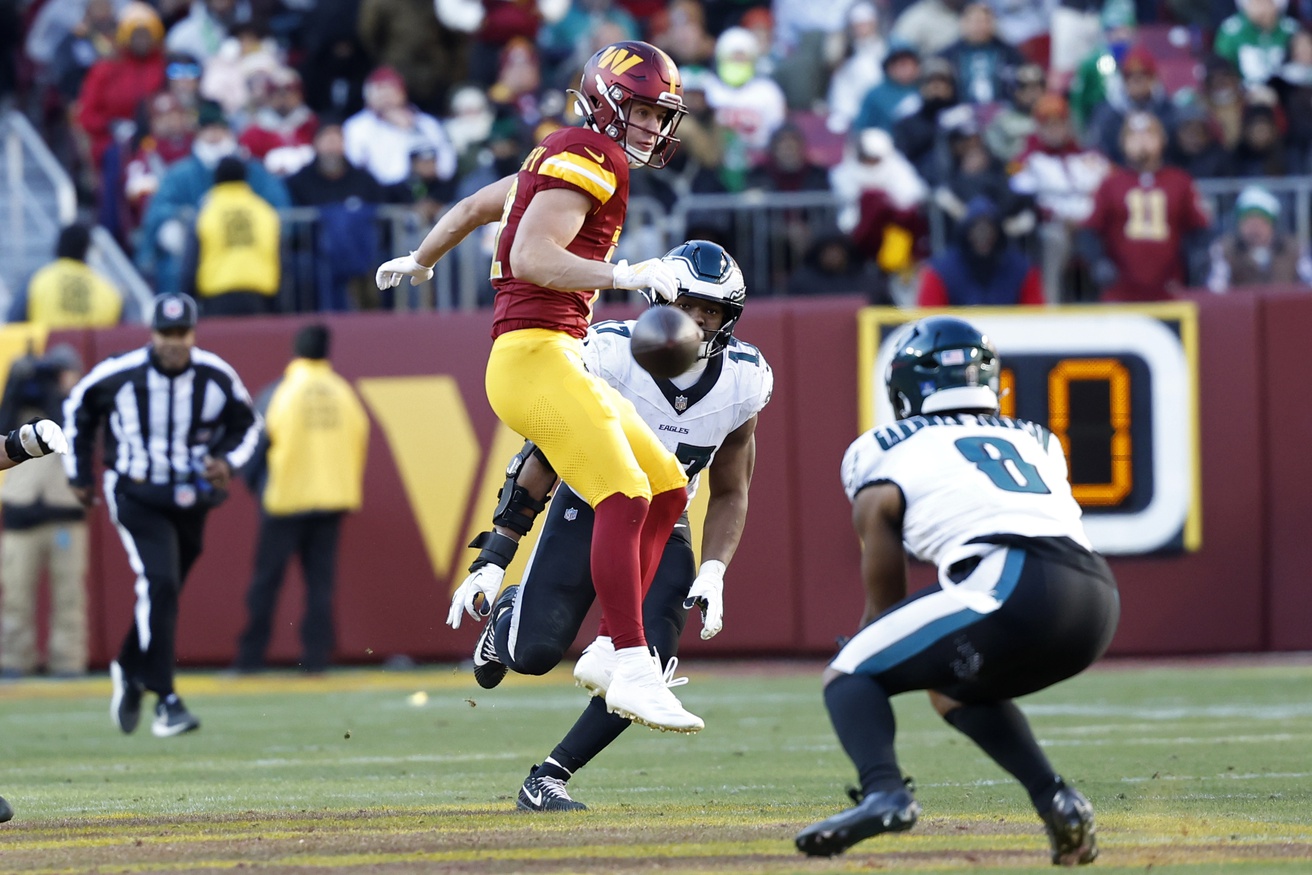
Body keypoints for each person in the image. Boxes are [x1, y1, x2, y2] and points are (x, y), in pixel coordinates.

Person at [376, 40, 703, 733]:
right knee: (624, 492)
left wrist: (419, 258)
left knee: (667, 485)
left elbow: (471, 208)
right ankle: (633, 663)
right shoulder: (591, 155)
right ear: (609, 104)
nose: (652, 127)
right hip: (533, 354)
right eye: (642, 111)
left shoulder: (560, 153)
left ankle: (615, 646)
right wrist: (630, 275)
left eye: (659, 115)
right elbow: (530, 253)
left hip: (554, 352)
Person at [459, 241, 772, 810]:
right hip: (590, 507)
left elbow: (731, 487)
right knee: (533, 653)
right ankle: (507, 619)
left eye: (714, 313)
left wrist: (717, 567)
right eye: (690, 308)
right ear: (657, 303)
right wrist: (496, 553)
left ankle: (550, 775)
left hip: (664, 522)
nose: (701, 324)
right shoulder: (605, 351)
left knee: (645, 663)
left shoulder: (744, 380)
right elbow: (542, 457)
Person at [795, 315, 1120, 863]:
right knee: (954, 688)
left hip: (1011, 579)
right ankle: (1056, 799)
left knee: (849, 672)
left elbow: (881, 540)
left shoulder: (878, 447)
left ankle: (884, 793)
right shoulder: (1039, 438)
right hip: (1096, 598)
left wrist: (870, 638)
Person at [63, 293, 261, 738]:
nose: (173, 342)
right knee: (160, 582)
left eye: (181, 333)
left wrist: (227, 462)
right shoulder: (121, 373)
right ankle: (166, 698)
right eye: (165, 333)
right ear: (151, 333)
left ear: (193, 333)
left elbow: (248, 424)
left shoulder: (214, 375)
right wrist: (78, 471)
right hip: (135, 493)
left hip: (191, 498)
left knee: (164, 590)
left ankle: (130, 666)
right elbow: (78, 407)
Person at [233, 325, 369, 674]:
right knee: (320, 586)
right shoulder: (343, 393)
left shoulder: (280, 392)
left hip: (284, 501)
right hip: (331, 501)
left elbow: (256, 444)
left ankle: (250, 660)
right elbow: (359, 438)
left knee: (266, 582)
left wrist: (255, 485)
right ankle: (315, 660)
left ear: (295, 350)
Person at [0, 346, 88, 679]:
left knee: (69, 595)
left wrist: (54, 391)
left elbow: (65, 427)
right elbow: (3, 428)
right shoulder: (24, 403)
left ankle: (68, 661)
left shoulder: (79, 405)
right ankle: (14, 660)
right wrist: (14, 386)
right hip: (21, 510)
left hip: (64, 512)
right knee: (16, 595)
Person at [1080, 112, 1211, 302]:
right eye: (1134, 136)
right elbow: (1089, 230)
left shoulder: (1180, 181)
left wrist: (1194, 262)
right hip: (1121, 292)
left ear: (1162, 140)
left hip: (1170, 290)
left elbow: (1199, 229)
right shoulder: (1110, 184)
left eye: (1149, 135)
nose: (1142, 142)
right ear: (1123, 142)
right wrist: (1099, 262)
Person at [180, 156, 282, 317]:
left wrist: (187, 296)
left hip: (217, 293)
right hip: (259, 293)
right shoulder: (264, 211)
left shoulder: (207, 212)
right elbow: (280, 257)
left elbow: (191, 259)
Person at [15, 224, 123, 328]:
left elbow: (13, 325)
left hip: (46, 346)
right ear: (86, 250)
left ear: (58, 246)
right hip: (95, 346)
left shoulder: (38, 281)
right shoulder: (108, 291)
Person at [1207, 185, 1312, 291]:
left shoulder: (1295, 249)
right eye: (1248, 223)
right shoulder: (1224, 250)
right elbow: (1216, 289)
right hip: (1242, 306)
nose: (1254, 229)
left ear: (1272, 225)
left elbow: (1309, 283)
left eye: (1260, 223)